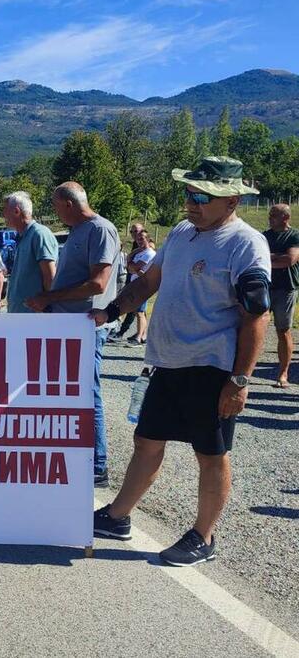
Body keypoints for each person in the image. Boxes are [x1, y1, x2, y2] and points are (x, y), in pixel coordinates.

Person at [91, 156, 270, 566]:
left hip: (211, 368)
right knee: (147, 441)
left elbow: (256, 316)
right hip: (166, 363)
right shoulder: (182, 233)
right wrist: (111, 312)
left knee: (211, 453)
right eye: (189, 193)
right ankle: (118, 517)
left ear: (232, 200)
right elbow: (149, 283)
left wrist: (239, 381)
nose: (191, 202)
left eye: (202, 196)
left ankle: (203, 537)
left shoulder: (246, 243)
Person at [25, 182, 120, 488]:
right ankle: (75, 456)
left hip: (87, 325)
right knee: (68, 392)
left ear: (68, 204)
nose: (54, 211)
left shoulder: (100, 230)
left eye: (55, 206)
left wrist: (50, 298)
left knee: (88, 392)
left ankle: (98, 464)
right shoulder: (79, 232)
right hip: (68, 323)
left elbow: (98, 284)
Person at [1, 191, 58, 314]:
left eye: (5, 210)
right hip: (22, 317)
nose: (3, 215)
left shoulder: (39, 234)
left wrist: (48, 308)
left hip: (35, 319)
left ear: (16, 211)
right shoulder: (23, 236)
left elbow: (50, 276)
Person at [263, 204, 299, 388]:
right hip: (265, 286)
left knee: (282, 330)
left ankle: (283, 373)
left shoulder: (294, 236)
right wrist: (276, 257)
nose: (270, 218)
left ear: (285, 218)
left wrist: (269, 258)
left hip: (286, 289)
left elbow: (290, 260)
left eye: (274, 215)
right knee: (253, 325)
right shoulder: (264, 235)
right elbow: (257, 258)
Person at [124, 229, 157, 346]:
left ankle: (138, 337)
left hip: (143, 286)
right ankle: (142, 335)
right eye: (138, 239)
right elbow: (130, 268)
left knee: (140, 312)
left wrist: (132, 266)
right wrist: (132, 265)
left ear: (148, 239)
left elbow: (136, 267)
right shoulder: (138, 253)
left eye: (142, 238)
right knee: (138, 311)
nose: (139, 241)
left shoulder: (149, 253)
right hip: (135, 284)